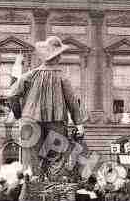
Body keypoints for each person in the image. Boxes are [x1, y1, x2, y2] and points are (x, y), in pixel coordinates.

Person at [7, 36, 85, 180]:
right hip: (56, 121)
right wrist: (78, 123)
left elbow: (11, 95)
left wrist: (19, 114)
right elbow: (72, 102)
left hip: (29, 121)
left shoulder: (30, 75)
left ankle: (34, 191)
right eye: (60, 54)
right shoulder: (62, 77)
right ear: (57, 56)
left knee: (32, 162)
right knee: (55, 159)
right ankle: (51, 191)